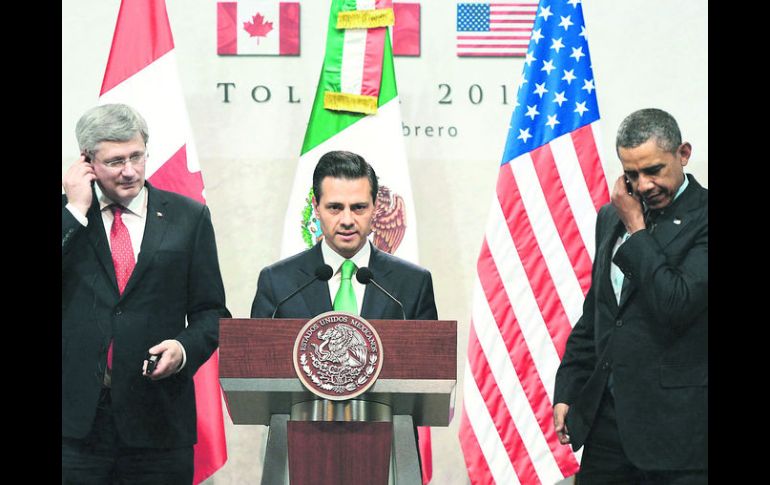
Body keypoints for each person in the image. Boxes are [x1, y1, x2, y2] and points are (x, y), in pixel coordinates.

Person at [62, 103, 231, 484]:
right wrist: (74, 210)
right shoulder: (69, 218)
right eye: (115, 160)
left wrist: (183, 349)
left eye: (137, 156)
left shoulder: (189, 218)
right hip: (76, 429)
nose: (130, 171)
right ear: (87, 162)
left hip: (158, 425)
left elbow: (212, 313)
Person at [553, 108, 707, 483]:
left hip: (678, 436)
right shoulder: (611, 217)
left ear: (683, 154)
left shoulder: (702, 217)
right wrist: (568, 389)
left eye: (654, 170)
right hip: (607, 426)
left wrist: (636, 229)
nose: (642, 186)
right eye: (632, 174)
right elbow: (599, 314)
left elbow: (677, 303)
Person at [251, 150, 437, 321]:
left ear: (374, 207)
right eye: (335, 208)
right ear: (316, 208)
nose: (347, 220)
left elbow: (429, 355)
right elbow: (257, 353)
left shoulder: (413, 284)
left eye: (359, 208)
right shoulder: (278, 283)